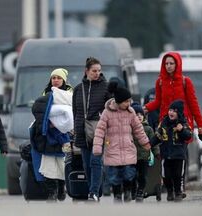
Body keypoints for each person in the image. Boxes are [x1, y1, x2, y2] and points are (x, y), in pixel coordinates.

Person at [93, 83, 151, 203]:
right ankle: (118, 194)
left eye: (129, 101)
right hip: (113, 148)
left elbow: (138, 129)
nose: (128, 104)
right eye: (126, 101)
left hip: (128, 148)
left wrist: (145, 142)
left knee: (129, 173)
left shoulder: (130, 113)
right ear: (119, 101)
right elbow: (100, 130)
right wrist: (97, 147)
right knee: (114, 175)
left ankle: (128, 191)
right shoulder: (107, 113)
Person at [30, 68, 73, 201]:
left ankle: (61, 188)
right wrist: (48, 122)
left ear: (64, 80)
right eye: (53, 78)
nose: (55, 80)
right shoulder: (46, 94)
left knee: (62, 164)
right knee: (48, 166)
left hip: (65, 136)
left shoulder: (70, 94)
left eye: (58, 78)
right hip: (48, 136)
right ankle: (51, 193)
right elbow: (41, 111)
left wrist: (62, 123)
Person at [72, 57, 110, 201]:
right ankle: (96, 190)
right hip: (82, 131)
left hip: (99, 131)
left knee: (96, 161)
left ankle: (93, 192)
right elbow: (75, 112)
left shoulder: (106, 87)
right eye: (94, 71)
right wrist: (76, 130)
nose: (97, 73)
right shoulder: (78, 89)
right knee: (86, 165)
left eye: (99, 71)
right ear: (86, 71)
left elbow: (111, 109)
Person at [143, 52, 202, 133]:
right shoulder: (160, 82)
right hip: (166, 123)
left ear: (177, 64)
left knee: (180, 145)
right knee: (165, 144)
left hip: (182, 124)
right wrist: (144, 108)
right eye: (166, 63)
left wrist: (200, 124)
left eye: (171, 63)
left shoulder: (185, 81)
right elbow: (158, 102)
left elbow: (193, 104)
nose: (168, 66)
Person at [151, 100, 192, 202]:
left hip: (179, 156)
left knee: (178, 175)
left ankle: (178, 192)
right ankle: (170, 191)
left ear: (179, 113)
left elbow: (188, 136)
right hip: (166, 154)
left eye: (174, 111)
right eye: (170, 110)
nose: (171, 112)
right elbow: (157, 136)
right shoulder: (164, 123)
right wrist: (149, 144)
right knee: (166, 175)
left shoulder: (183, 124)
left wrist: (181, 130)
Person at [130, 102, 160, 202]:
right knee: (132, 176)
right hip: (132, 157)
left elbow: (153, 143)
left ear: (144, 116)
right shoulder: (130, 128)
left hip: (144, 157)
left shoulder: (148, 129)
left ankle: (140, 191)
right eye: (136, 114)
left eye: (141, 114)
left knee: (142, 176)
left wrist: (156, 153)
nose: (139, 117)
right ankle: (133, 191)